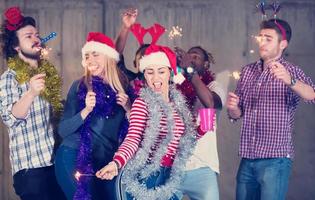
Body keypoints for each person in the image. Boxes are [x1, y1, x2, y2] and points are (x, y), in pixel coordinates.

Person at [96, 44, 205, 200]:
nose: (155, 78)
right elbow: (133, 138)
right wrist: (116, 163)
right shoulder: (142, 103)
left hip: (170, 176)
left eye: (161, 71)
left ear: (170, 73)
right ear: (145, 75)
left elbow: (182, 142)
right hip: (146, 174)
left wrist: (201, 130)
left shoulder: (178, 106)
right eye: (150, 72)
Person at [227, 19, 315, 200]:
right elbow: (237, 114)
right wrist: (233, 107)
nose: (262, 42)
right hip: (248, 157)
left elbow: (312, 95)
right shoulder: (247, 71)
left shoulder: (291, 71)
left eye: (268, 38)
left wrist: (290, 80)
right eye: (261, 37)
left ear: (282, 44)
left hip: (275, 159)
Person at [54, 32, 132, 200]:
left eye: (95, 54)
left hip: (105, 162)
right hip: (73, 155)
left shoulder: (125, 86)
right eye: (87, 56)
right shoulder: (79, 86)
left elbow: (137, 128)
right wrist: (86, 111)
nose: (90, 60)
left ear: (109, 57)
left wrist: (128, 108)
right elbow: (63, 130)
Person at [0, 6, 65, 200]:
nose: (36, 38)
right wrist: (31, 93)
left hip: (55, 164)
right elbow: (9, 117)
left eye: (36, 34)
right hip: (32, 171)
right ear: (16, 46)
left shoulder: (47, 75)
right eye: (29, 36)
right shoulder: (9, 78)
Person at [175, 46, 226, 200]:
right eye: (188, 56)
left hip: (202, 167)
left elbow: (210, 103)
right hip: (173, 167)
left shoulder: (214, 87)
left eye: (195, 57)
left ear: (206, 64)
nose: (190, 59)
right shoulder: (175, 86)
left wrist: (190, 71)